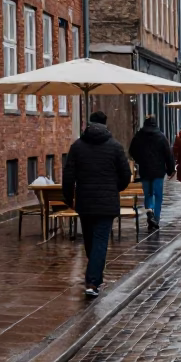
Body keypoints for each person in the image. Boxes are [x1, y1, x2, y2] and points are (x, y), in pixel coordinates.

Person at [62, 110, 132, 299]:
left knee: (90, 241)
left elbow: (68, 175)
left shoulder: (77, 147)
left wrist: (69, 198)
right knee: (100, 241)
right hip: (106, 203)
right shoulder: (115, 147)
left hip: (85, 201)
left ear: (88, 124)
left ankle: (93, 279)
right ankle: (93, 281)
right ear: (105, 124)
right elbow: (126, 175)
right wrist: (114, 189)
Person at [129, 114, 175, 230]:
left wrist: (140, 160)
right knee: (158, 195)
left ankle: (149, 210)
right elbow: (168, 155)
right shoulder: (161, 137)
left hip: (145, 170)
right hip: (158, 171)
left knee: (148, 193)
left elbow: (132, 150)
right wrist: (170, 170)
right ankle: (156, 218)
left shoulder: (139, 136)